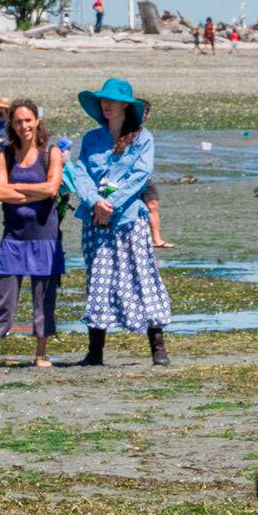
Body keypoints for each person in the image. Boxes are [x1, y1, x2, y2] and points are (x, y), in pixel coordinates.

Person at [66, 76, 170, 366]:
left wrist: (111, 202)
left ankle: (158, 348)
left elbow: (140, 175)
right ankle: (95, 352)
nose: (106, 104)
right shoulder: (91, 138)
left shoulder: (143, 138)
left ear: (126, 105)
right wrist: (94, 201)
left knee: (142, 277)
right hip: (95, 219)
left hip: (128, 220)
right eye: (103, 100)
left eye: (112, 100)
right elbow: (81, 172)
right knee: (98, 280)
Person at [0, 98, 65, 371]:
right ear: (11, 124)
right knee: (3, 298)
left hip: (46, 237)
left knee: (43, 299)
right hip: (13, 238)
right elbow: (0, 192)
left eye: (28, 120)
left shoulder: (51, 152)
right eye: (18, 121)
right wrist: (33, 190)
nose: (24, 125)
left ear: (37, 121)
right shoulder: (4, 154)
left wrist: (18, 189)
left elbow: (52, 189)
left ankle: (41, 353)